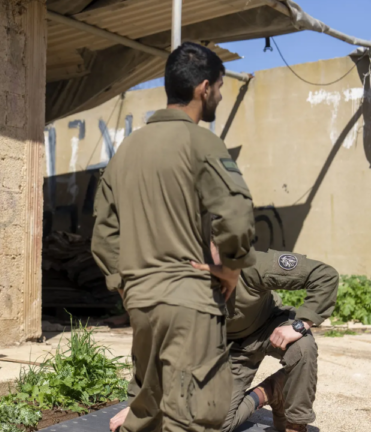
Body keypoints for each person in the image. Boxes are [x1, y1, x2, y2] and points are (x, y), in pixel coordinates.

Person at [91, 42, 257, 431]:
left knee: (149, 411)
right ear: (204, 88)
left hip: (142, 305)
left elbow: (103, 234)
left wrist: (124, 283)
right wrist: (231, 268)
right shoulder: (202, 143)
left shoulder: (124, 151)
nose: (218, 94)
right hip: (190, 303)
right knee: (194, 416)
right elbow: (236, 215)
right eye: (218, 87)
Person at [110, 249, 338, 432]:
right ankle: (271, 390)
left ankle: (295, 424)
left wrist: (301, 323)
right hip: (230, 349)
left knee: (302, 346)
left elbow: (324, 275)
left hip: (269, 326)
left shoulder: (251, 263)